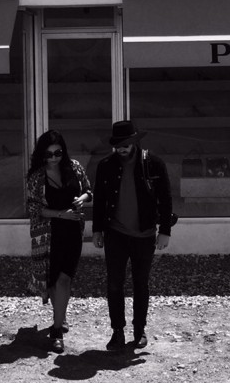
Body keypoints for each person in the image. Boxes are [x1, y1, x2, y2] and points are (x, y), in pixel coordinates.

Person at [92, 120, 174, 351]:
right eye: (118, 145)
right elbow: (99, 201)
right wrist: (96, 230)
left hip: (145, 233)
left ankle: (139, 330)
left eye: (126, 144)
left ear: (135, 142)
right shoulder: (105, 166)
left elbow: (166, 199)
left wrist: (165, 231)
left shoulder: (153, 164)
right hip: (115, 233)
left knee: (141, 284)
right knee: (114, 284)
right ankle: (117, 331)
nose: (122, 148)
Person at [25, 130, 92, 353]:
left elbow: (89, 191)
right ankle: (59, 320)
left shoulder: (74, 167)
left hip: (73, 232)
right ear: (42, 155)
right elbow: (33, 208)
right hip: (48, 235)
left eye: (58, 153)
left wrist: (80, 199)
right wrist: (62, 214)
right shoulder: (37, 177)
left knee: (64, 279)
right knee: (54, 281)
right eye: (49, 154)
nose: (54, 158)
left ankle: (57, 327)